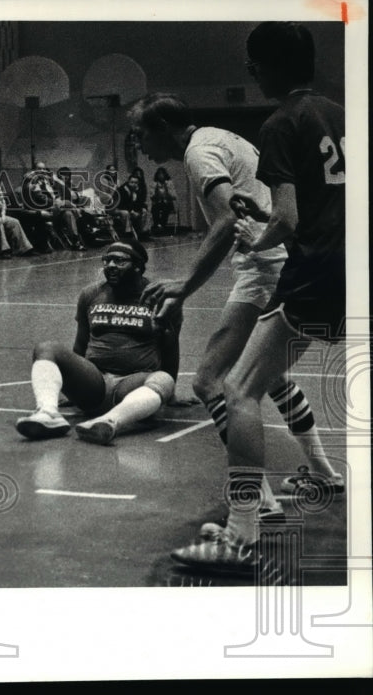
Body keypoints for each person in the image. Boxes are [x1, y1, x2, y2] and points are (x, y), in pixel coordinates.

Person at [167, 22, 346, 572]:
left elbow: (289, 219)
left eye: (252, 63)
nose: (249, 71)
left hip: (316, 270)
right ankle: (320, 471)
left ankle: (241, 533)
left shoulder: (280, 122)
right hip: (352, 265)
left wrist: (256, 237)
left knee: (235, 389)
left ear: (266, 66)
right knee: (265, 372)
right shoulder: (340, 113)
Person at [130, 91, 341, 523]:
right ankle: (323, 471)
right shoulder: (219, 137)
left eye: (140, 135)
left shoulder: (199, 153)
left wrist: (184, 287)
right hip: (276, 262)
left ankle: (256, 502)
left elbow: (226, 220)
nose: (139, 145)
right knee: (270, 376)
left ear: (163, 129)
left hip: (263, 269)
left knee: (210, 380)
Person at [15, 240, 180, 445]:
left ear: (138, 266)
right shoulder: (91, 294)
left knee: (164, 379)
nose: (110, 265)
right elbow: (81, 341)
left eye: (119, 261)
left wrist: (171, 394)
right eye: (107, 260)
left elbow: (171, 347)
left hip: (133, 385)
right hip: (96, 383)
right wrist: (72, 383)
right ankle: (48, 413)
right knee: (46, 348)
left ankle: (109, 422)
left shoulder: (160, 298)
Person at [149, 166, 177, 233]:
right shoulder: (154, 184)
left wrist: (167, 190)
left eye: (162, 174)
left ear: (165, 175)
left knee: (165, 208)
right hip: (157, 203)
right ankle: (157, 225)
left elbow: (174, 196)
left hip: (167, 203)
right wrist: (156, 190)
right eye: (159, 174)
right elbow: (151, 196)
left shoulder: (169, 183)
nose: (161, 176)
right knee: (155, 208)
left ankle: (162, 225)